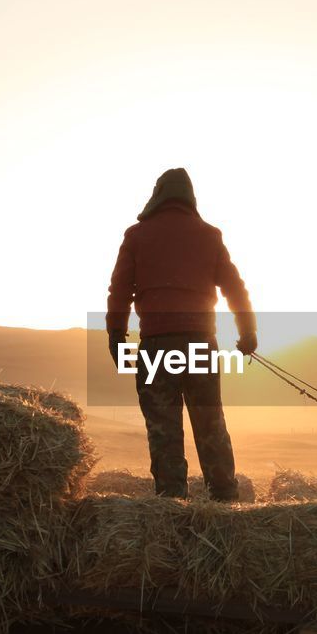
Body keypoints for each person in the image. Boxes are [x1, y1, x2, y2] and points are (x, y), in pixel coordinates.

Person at [106, 168, 256, 501]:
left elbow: (119, 291)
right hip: (200, 343)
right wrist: (248, 332)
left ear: (158, 195)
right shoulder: (209, 235)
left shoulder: (137, 236)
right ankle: (225, 499)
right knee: (210, 423)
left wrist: (116, 335)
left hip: (157, 346)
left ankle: (172, 502)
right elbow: (235, 288)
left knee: (164, 430)